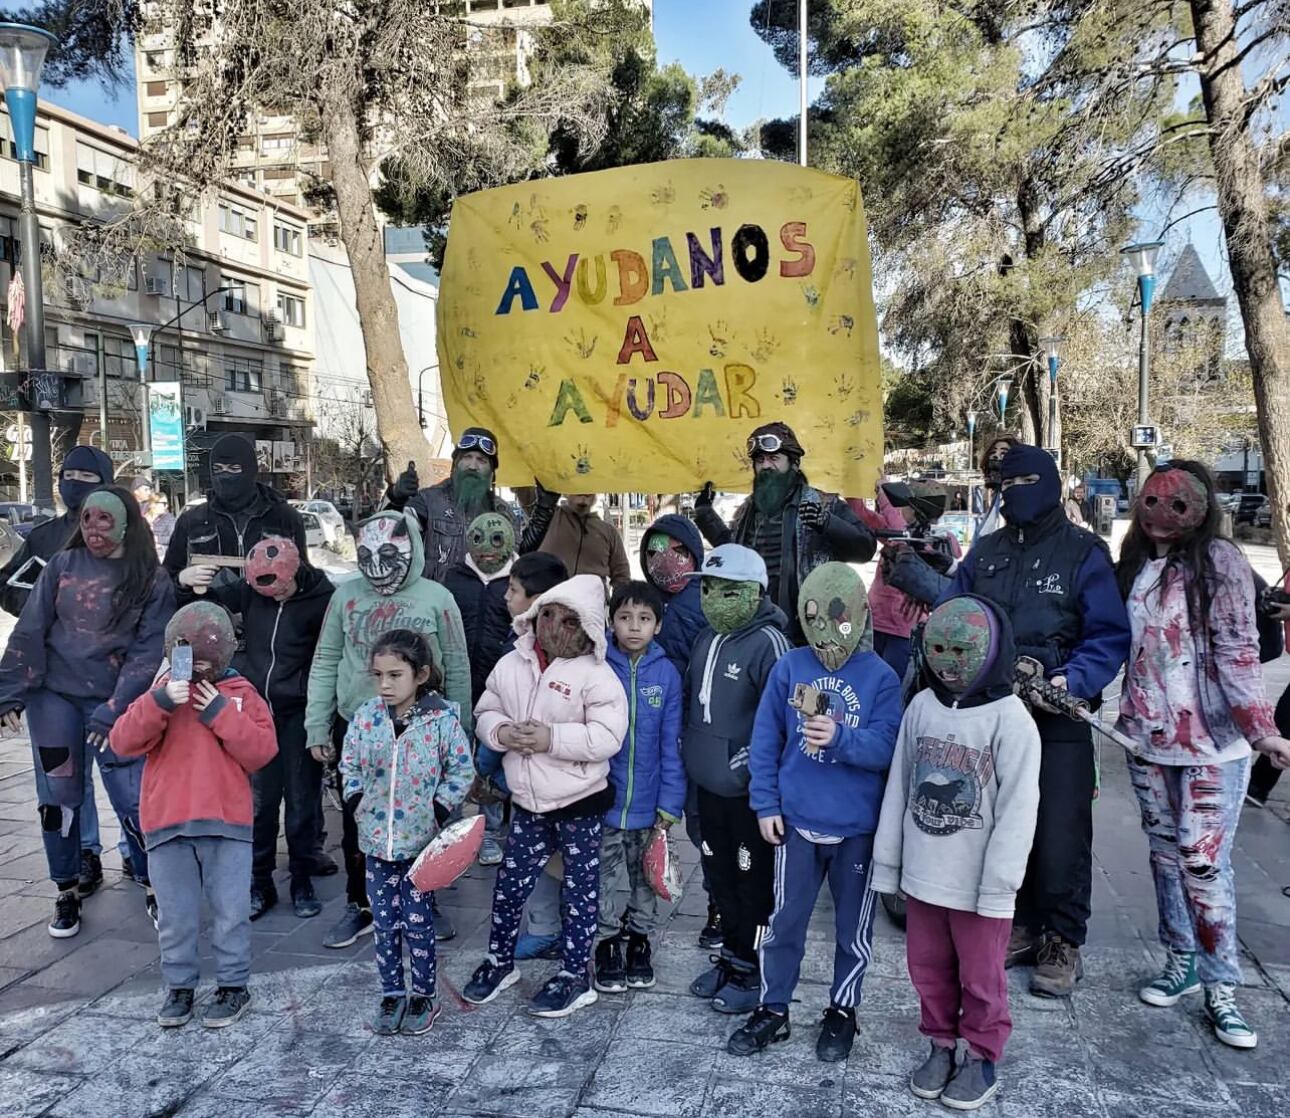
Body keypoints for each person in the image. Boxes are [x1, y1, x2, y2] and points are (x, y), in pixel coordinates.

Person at [939, 444, 1131, 997]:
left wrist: (1072, 680)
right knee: (1000, 824)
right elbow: (956, 614)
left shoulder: (1084, 553)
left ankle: (1062, 939)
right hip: (992, 714)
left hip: (1058, 714)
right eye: (1008, 480)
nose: (1015, 490)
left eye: (1027, 479)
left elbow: (1109, 635)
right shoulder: (987, 552)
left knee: (1060, 831)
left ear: (1049, 483)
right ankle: (1018, 923)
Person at [1114, 461, 1290, 1050]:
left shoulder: (1221, 562)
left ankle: (1222, 986)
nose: (1162, 514)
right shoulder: (1136, 562)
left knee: (1203, 862)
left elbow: (1239, 648)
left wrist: (1261, 730)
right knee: (1166, 858)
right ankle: (1181, 961)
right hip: (1146, 741)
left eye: (1178, 504)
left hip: (1215, 745)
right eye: (1151, 500)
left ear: (1201, 508)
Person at [872, 596, 1040, 1109]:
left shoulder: (1012, 721)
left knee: (982, 975)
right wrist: (890, 865)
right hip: (924, 878)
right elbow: (899, 788)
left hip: (979, 887)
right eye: (938, 648)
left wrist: (1000, 885)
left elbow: (1018, 811)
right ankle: (941, 1043)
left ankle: (982, 1056)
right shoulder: (921, 707)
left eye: (962, 648)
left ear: (990, 651)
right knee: (928, 968)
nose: (948, 660)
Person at [731, 563, 902, 1062]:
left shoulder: (881, 678)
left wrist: (843, 737)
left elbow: (888, 746)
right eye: (815, 618)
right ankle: (773, 1007)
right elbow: (765, 739)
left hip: (856, 832)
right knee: (784, 922)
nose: (828, 631)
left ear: (859, 613)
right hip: (797, 825)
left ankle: (843, 1008)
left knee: (853, 929)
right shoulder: (790, 668)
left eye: (838, 617)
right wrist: (765, 803)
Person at [0, 487, 174, 938]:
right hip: (54, 698)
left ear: (126, 523)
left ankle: (156, 885)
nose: (94, 529)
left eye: (104, 520)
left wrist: (115, 709)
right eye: (87, 520)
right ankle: (66, 889)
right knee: (58, 797)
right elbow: (32, 628)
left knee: (133, 796)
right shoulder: (61, 565)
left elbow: (147, 651)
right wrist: (9, 693)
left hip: (114, 704)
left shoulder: (151, 579)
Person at [463, 574, 629, 1018]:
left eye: (568, 621)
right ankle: (500, 961)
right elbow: (487, 708)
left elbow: (608, 736)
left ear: (589, 628)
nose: (554, 627)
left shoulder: (597, 675)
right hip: (528, 803)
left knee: (579, 891)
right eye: (547, 615)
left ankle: (577, 974)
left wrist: (551, 738)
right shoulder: (513, 663)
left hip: (579, 802)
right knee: (509, 885)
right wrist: (500, 732)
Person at [305, 510, 471, 950]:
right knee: (357, 823)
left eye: (388, 553)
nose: (376, 566)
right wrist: (316, 724)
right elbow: (325, 660)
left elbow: (455, 661)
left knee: (427, 819)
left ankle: (424, 899)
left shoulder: (437, 598)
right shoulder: (345, 598)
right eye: (365, 555)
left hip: (424, 728)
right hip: (360, 730)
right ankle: (362, 904)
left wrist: (461, 726)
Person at [109, 601, 277, 1029]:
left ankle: (233, 986)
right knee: (175, 916)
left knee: (230, 913)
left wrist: (219, 712)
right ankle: (179, 987)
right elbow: (123, 742)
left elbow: (261, 751)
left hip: (228, 826)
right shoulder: (161, 691)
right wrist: (161, 701)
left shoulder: (242, 694)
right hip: (167, 826)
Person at [183, 535, 335, 920]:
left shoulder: (322, 599)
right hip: (258, 711)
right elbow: (206, 608)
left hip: (300, 710)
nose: (269, 594)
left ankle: (301, 878)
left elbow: (330, 655)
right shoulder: (252, 593)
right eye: (259, 585)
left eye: (272, 585)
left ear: (292, 572)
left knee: (301, 800)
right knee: (261, 802)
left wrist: (322, 716)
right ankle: (260, 881)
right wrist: (185, 581)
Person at [0, 444, 124, 892]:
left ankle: (134, 851)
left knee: (125, 772)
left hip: (113, 684)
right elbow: (10, 588)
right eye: (69, 474)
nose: (76, 484)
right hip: (51, 686)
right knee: (62, 780)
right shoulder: (45, 538)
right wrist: (50, 610)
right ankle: (82, 855)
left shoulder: (128, 537)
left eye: (88, 477)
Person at [340, 629, 474, 1036]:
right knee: (384, 923)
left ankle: (423, 995)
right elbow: (349, 765)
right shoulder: (365, 718)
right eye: (378, 675)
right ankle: (392, 992)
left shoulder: (441, 722)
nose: (385, 684)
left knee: (417, 922)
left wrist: (437, 808)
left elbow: (461, 770)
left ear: (421, 675)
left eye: (395, 675)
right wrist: (356, 800)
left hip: (420, 848)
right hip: (377, 846)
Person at [683, 544, 792, 1016]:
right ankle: (731, 956)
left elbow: (782, 723)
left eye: (727, 590)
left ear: (754, 592)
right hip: (708, 791)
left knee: (754, 884)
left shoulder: (768, 644)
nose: (713, 598)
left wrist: (745, 768)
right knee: (719, 878)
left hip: (748, 797)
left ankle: (754, 968)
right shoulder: (706, 637)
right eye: (707, 588)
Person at [694, 422, 876, 643]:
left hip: (807, 632)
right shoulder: (748, 511)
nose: (766, 466)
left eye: (774, 458)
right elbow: (734, 555)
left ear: (794, 463)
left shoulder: (823, 503)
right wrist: (705, 515)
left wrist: (826, 523)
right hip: (755, 628)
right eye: (760, 460)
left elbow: (865, 548)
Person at [593, 580, 685, 995]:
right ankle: (608, 945)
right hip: (605, 805)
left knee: (644, 879)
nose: (634, 627)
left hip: (650, 808)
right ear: (611, 622)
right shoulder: (597, 667)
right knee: (604, 880)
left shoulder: (666, 675)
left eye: (644, 619)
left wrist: (670, 804)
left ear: (658, 626)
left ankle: (640, 943)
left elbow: (672, 745)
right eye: (625, 618)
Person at [482, 550, 571, 959]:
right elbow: (492, 709)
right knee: (531, 858)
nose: (505, 597)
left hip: (569, 781)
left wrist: (551, 738)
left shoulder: (580, 656)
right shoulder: (515, 651)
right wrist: (497, 740)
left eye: (513, 590)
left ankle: (570, 929)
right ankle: (542, 926)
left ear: (538, 601)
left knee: (569, 860)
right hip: (523, 779)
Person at [639, 511, 719, 948]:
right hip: (651, 736)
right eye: (653, 551)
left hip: (698, 734)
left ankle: (718, 906)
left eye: (677, 550)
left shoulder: (708, 601)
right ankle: (638, 909)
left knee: (703, 825)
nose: (665, 559)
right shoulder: (640, 602)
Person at [387, 427, 555, 583]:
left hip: (481, 610)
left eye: (482, 460)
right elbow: (388, 542)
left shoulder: (501, 511)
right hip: (434, 608)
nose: (472, 466)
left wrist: (544, 511)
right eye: (467, 457)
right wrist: (396, 498)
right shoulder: (428, 501)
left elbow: (519, 555)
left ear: (492, 472)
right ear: (456, 464)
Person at [443, 512, 517, 868]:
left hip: (498, 685)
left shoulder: (515, 583)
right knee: (453, 756)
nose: (487, 549)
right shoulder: (454, 578)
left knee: (491, 756)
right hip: (457, 682)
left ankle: (490, 830)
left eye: (497, 541)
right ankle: (455, 828)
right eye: (479, 540)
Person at [164, 433, 307, 595]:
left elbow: (305, 576)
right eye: (218, 469)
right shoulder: (192, 520)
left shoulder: (284, 517)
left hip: (268, 613)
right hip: (211, 614)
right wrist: (181, 579)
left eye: (234, 469)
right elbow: (166, 579)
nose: (225, 477)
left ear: (250, 469)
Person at [855, 481, 961, 682]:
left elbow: (896, 526)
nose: (900, 509)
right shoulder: (902, 533)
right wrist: (854, 488)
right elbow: (861, 514)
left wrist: (884, 496)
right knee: (870, 680)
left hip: (903, 630)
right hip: (877, 623)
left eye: (905, 504)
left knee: (890, 685)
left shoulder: (939, 541)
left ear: (913, 509)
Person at [534, 494, 631, 590]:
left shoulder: (608, 531)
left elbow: (622, 576)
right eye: (578, 494)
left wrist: (618, 601)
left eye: (588, 495)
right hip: (549, 600)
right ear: (567, 494)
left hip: (593, 602)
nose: (583, 500)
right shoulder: (548, 519)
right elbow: (526, 497)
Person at [975, 436, 1020, 538]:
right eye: (993, 453)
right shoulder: (998, 497)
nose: (995, 456)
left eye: (1003, 453)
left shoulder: (1018, 499)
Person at [131, 476, 177, 560]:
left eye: (149, 490)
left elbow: (173, 537)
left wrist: (157, 540)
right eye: (146, 490)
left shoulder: (167, 517)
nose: (149, 493)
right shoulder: (130, 508)